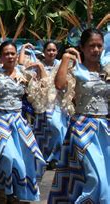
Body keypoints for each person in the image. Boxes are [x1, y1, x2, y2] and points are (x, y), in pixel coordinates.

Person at [0, 41, 47, 202]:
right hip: (1, 119)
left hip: (19, 120)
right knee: (7, 156)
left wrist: (40, 69)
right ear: (0, 57)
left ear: (17, 55)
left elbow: (43, 90)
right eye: (6, 53)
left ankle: (14, 192)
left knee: (26, 157)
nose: (10, 56)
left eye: (13, 53)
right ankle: (2, 189)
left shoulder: (24, 74)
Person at [48, 28, 110, 203]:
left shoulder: (107, 70)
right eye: (91, 46)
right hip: (82, 128)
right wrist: (66, 60)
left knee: (105, 180)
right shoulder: (76, 70)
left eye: (99, 45)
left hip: (104, 130)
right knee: (95, 177)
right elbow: (59, 85)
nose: (96, 50)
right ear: (82, 47)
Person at [20, 41, 70, 166]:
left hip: (58, 101)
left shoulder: (61, 64)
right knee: (43, 130)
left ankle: (57, 157)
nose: (51, 52)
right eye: (49, 50)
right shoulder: (38, 64)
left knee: (58, 128)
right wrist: (23, 48)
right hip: (42, 102)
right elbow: (21, 65)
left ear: (57, 52)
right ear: (44, 52)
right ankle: (45, 157)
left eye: (54, 50)